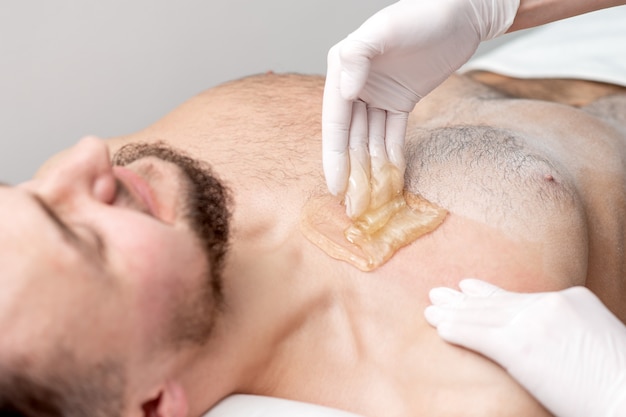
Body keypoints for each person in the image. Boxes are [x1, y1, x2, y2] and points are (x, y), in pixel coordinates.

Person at [1, 4, 625, 417]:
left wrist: (497, 6)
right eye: (85, 239)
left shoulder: (130, 171)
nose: (82, 159)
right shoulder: (445, 392)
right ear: (153, 406)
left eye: (24, 190)